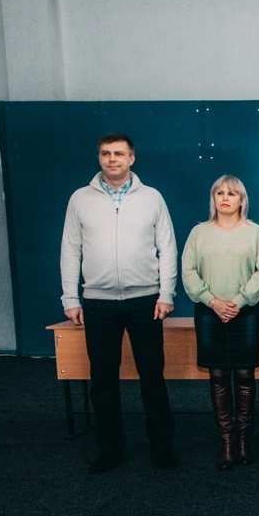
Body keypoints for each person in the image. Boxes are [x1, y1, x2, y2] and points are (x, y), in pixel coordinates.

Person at [60, 133, 178, 473]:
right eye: (106, 153)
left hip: (146, 300)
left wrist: (166, 293)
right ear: (99, 158)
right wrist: (70, 297)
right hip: (98, 302)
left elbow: (167, 247)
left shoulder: (152, 198)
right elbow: (70, 250)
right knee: (103, 380)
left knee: (152, 377)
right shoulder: (80, 199)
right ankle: (110, 450)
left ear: (131, 158)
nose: (112, 159)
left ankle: (162, 449)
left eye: (119, 154)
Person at [180, 175, 259, 470]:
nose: (225, 198)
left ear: (242, 200)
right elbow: (188, 272)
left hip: (245, 312)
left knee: (245, 375)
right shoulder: (199, 233)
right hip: (209, 312)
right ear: (213, 198)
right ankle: (227, 442)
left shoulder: (255, 232)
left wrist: (239, 301)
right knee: (218, 376)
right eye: (219, 193)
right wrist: (213, 301)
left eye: (231, 193)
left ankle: (244, 440)